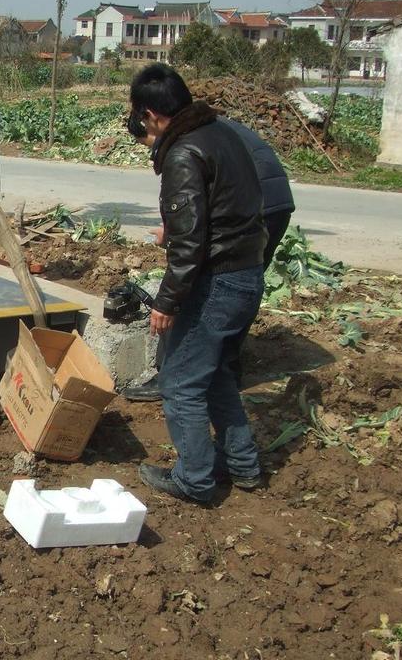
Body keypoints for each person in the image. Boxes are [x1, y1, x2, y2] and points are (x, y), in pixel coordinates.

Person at [129, 64, 268, 505]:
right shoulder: (221, 133)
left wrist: (166, 303)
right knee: (215, 376)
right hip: (247, 273)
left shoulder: (183, 153)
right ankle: (243, 464)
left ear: (150, 114)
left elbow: (189, 248)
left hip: (218, 282)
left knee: (180, 381)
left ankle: (195, 480)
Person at [123, 114, 295, 402]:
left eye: (147, 142)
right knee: (237, 287)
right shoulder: (207, 123)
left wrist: (177, 234)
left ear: (153, 122)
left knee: (194, 286)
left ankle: (170, 374)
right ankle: (224, 372)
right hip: (274, 203)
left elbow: (189, 234)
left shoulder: (184, 139)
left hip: (251, 205)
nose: (151, 150)